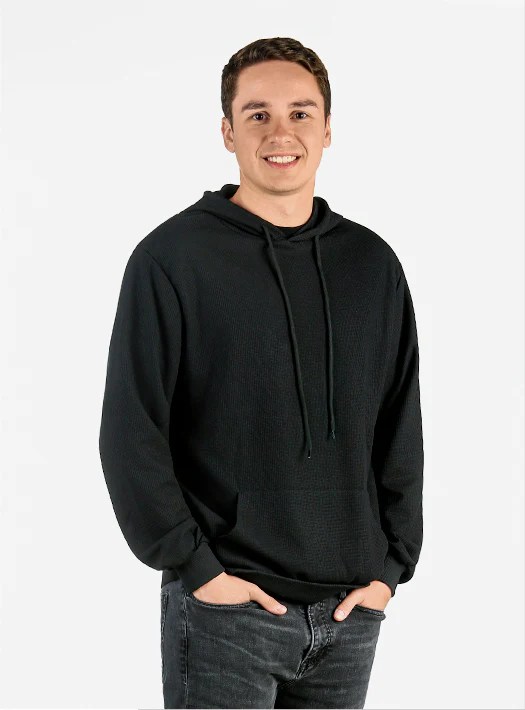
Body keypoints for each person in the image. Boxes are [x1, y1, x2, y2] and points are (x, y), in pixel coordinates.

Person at [99, 36, 424, 710]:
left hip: (349, 614)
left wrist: (391, 569)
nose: (281, 133)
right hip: (227, 612)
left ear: (327, 129)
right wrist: (197, 569)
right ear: (227, 131)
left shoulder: (372, 264)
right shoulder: (172, 258)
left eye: (301, 113)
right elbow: (131, 432)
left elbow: (400, 423)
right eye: (258, 114)